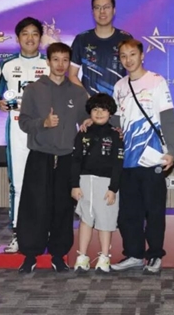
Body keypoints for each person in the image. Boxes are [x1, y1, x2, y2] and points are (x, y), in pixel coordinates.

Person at [110, 38, 174, 274]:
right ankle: (133, 254)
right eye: (123, 55)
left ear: (142, 56)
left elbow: (168, 118)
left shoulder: (156, 81)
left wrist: (172, 151)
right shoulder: (119, 86)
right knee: (128, 213)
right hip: (127, 161)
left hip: (152, 159)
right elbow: (116, 121)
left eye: (132, 54)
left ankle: (155, 255)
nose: (128, 60)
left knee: (154, 212)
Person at [16, 42, 90, 273]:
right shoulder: (33, 89)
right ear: (47, 61)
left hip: (67, 157)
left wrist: (89, 122)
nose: (60, 64)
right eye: (56, 59)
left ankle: (58, 254)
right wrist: (43, 123)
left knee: (63, 208)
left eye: (65, 60)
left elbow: (86, 118)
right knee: (34, 207)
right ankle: (30, 255)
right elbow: (24, 122)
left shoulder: (78, 92)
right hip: (40, 157)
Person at [0, 17, 49, 253]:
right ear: (17, 38)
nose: (30, 38)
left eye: (35, 33)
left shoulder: (49, 63)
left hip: (45, 130)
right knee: (18, 183)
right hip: (17, 128)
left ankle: (45, 231)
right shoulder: (7, 63)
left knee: (46, 182)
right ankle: (18, 232)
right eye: (25, 33)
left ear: (40, 38)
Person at [71, 93, 124, 273]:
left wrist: (113, 188)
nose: (99, 113)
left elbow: (118, 163)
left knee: (105, 221)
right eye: (95, 109)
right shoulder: (83, 133)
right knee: (85, 219)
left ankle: (104, 258)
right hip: (85, 182)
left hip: (106, 184)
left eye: (103, 109)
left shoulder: (116, 135)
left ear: (110, 113)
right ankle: (82, 256)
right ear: (89, 112)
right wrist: (75, 185)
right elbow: (75, 160)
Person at [68, 0, 132, 96]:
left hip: (119, 102)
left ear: (114, 10)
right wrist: (88, 99)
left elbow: (134, 72)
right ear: (92, 12)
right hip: (90, 103)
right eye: (97, 8)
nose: (102, 11)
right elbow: (72, 75)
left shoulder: (125, 38)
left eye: (106, 7)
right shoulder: (82, 39)